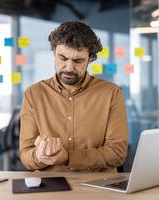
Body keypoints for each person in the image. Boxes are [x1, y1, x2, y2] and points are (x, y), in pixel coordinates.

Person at [19, 21, 129, 172]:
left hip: (99, 188)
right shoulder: (33, 94)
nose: (69, 68)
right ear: (54, 53)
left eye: (78, 61)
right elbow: (26, 155)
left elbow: (117, 154)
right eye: (62, 58)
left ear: (90, 58)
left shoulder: (112, 93)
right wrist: (38, 156)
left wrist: (68, 157)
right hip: (50, 189)